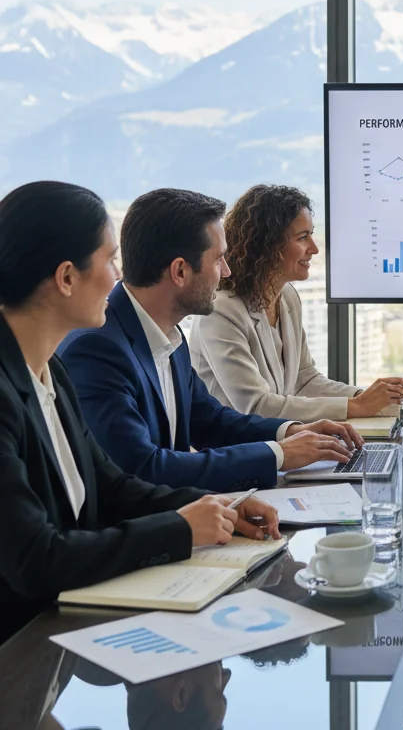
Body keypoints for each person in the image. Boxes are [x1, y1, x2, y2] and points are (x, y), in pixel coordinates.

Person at [0, 181, 280, 646]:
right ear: (67, 277)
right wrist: (178, 528)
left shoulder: (49, 370)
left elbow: (109, 485)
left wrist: (216, 507)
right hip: (21, 652)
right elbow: (38, 558)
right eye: (110, 261)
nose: (117, 278)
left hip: (66, 629)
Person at [59, 188, 363, 494]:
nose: (228, 271)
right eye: (218, 260)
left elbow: (210, 421)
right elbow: (143, 469)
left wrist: (291, 431)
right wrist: (279, 455)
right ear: (180, 271)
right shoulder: (97, 349)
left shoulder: (167, 334)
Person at [190, 184, 403, 421]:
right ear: (268, 245)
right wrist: (355, 406)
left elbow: (305, 380)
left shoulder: (287, 296)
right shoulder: (221, 310)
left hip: (282, 440)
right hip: (236, 449)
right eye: (303, 238)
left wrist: (365, 397)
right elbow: (255, 406)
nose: (314, 249)